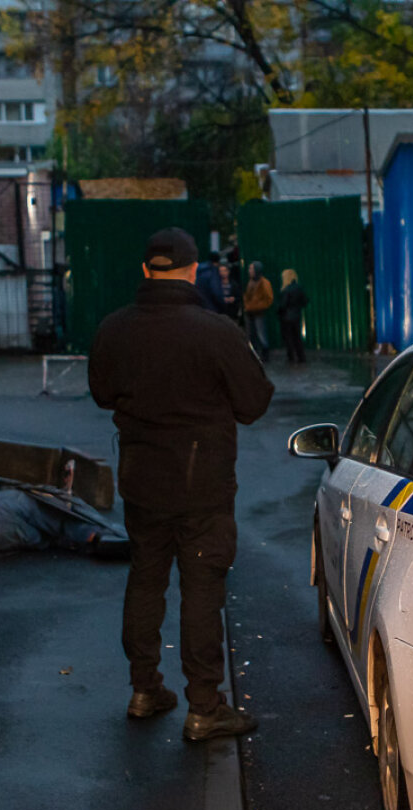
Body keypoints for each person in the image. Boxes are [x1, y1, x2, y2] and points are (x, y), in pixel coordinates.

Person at [89, 227, 275, 741]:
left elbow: (102, 393)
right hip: (203, 487)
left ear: (146, 270)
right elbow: (254, 404)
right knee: (201, 589)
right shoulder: (215, 331)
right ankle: (204, 706)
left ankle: (145, 689)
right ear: (193, 271)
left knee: (145, 580)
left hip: (142, 483)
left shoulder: (114, 328)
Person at [243, 261, 273, 362]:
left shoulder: (264, 283)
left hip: (259, 312)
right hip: (250, 312)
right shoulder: (251, 282)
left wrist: (257, 306)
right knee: (251, 334)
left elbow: (268, 299)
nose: (249, 271)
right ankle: (254, 354)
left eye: (251, 269)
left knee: (261, 334)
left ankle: (265, 355)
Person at [277, 269, 308, 365]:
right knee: (297, 337)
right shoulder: (299, 288)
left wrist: (279, 311)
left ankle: (291, 357)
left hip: (286, 317)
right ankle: (301, 357)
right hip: (296, 315)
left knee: (288, 338)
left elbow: (283, 304)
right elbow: (305, 301)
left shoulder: (286, 290)